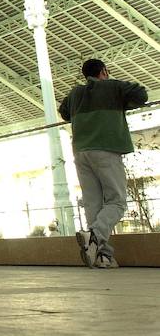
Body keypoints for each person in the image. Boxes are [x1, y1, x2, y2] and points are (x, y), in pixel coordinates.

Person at [60, 58, 147, 269]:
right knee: (117, 201)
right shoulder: (113, 86)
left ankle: (103, 256)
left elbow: (64, 113)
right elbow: (141, 95)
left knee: (94, 204)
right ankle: (94, 235)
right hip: (106, 149)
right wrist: (117, 96)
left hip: (81, 152)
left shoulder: (75, 93)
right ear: (104, 71)